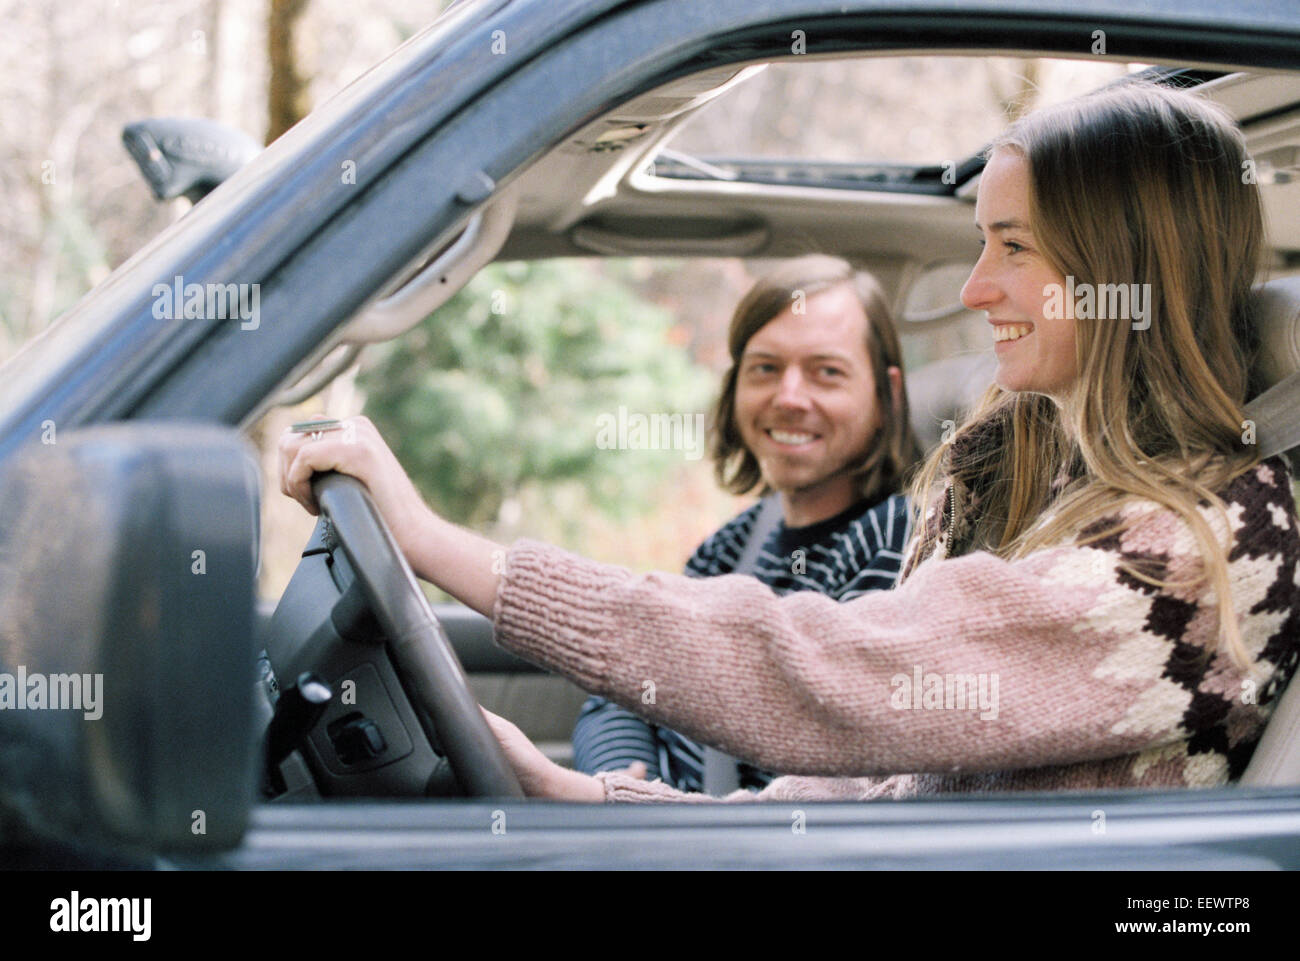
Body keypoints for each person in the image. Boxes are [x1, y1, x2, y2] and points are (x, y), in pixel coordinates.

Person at [279, 80, 1300, 804]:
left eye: (1014, 247)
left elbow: (840, 675)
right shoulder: (1006, 480)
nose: (974, 287)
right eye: (980, 243)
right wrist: (584, 800)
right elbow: (883, 789)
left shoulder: (1211, 550)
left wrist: (444, 545)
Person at [571, 256, 921, 793]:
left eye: (827, 371)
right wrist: (621, 776)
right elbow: (621, 685)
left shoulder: (897, 541)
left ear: (886, 395)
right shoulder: (737, 542)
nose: (788, 397)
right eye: (765, 368)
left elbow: (833, 752)